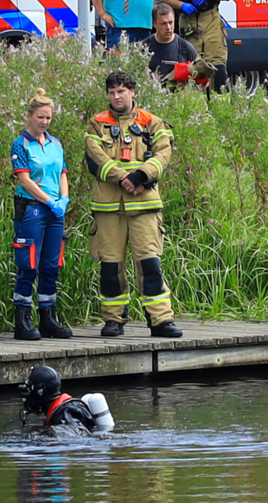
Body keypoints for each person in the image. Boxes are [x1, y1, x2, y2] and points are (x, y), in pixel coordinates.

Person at [84, 71, 183, 338]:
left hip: (144, 206)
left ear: (132, 92)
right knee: (110, 267)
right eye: (112, 92)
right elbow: (95, 159)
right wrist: (125, 178)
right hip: (108, 208)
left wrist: (142, 175)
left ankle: (161, 320)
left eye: (122, 91)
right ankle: (113, 320)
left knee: (150, 264)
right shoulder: (96, 124)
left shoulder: (152, 121)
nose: (116, 96)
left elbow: (164, 153)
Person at [10, 89, 73, 340]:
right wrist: (48, 200)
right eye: (40, 117)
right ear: (29, 116)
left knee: (50, 266)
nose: (44, 122)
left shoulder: (56, 144)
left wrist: (64, 199)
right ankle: (23, 320)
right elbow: (24, 180)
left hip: (55, 211)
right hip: (33, 208)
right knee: (29, 265)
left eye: (48, 118)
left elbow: (62, 174)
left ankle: (48, 317)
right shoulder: (21, 143)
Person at [142, 2, 213, 88]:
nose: (168, 27)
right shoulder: (143, 47)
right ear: (154, 24)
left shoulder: (186, 48)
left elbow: (203, 82)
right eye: (163, 23)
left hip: (179, 98)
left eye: (171, 22)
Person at [19, 366, 97, 431]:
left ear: (40, 392)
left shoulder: (63, 414)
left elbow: (74, 436)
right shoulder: (71, 406)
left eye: (30, 390)